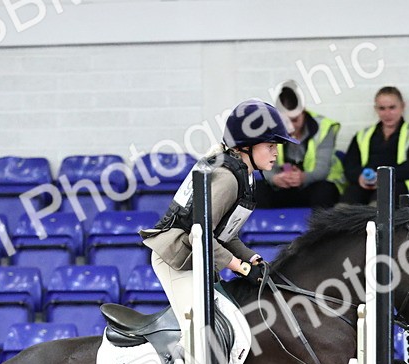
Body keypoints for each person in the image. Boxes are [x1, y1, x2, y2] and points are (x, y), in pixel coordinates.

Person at [141, 99, 297, 323]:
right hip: (175, 259)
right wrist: (241, 268)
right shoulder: (227, 179)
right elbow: (200, 236)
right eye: (270, 146)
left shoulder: (245, 177)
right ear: (246, 146)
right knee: (198, 327)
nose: (276, 153)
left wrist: (252, 258)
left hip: (197, 256)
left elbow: (225, 235)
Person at [255, 80, 342, 209]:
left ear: (303, 111)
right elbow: (264, 165)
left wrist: (303, 178)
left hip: (312, 186)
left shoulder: (324, 127)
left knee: (325, 190)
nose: (291, 126)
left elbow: (322, 169)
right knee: (256, 189)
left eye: (295, 120)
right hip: (282, 187)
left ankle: (319, 223)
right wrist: (275, 179)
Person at [342, 86, 409, 206]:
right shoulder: (363, 135)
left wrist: (383, 177)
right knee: (344, 207)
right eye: (382, 108)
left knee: (380, 205)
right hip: (367, 185)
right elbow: (350, 165)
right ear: (376, 109)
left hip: (398, 184)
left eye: (392, 107)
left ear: (402, 106)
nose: (387, 114)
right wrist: (360, 177)